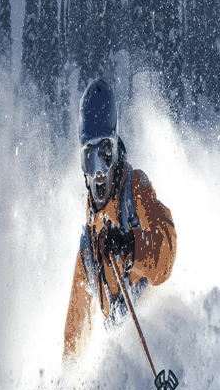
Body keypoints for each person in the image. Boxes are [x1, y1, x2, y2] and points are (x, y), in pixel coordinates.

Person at [63, 78, 177, 363]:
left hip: (162, 348)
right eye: (90, 159)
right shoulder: (89, 247)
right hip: (127, 367)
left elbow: (166, 256)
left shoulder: (135, 190)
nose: (99, 172)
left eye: (105, 153)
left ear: (116, 150)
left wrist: (132, 246)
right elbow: (75, 335)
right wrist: (65, 387)